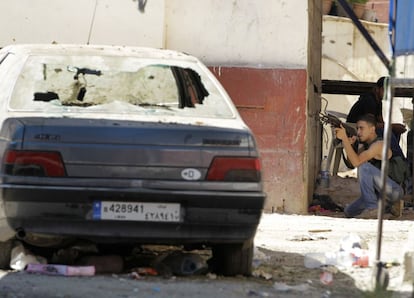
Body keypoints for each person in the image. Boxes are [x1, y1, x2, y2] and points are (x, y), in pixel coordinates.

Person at [335, 114, 404, 219]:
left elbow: (357, 163)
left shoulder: (379, 144)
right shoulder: (365, 145)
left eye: (361, 128)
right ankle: (389, 207)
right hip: (379, 193)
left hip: (393, 190)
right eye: (357, 129)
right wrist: (351, 145)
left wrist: (344, 138)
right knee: (349, 211)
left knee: (364, 167)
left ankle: (373, 208)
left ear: (372, 129)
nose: (358, 132)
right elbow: (351, 163)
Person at [347, 76, 406, 157]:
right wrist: (393, 126)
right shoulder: (369, 100)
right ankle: (398, 159)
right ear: (377, 89)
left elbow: (381, 122)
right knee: (387, 132)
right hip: (354, 129)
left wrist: (394, 127)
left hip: (366, 128)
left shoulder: (378, 101)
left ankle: (392, 160)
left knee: (394, 131)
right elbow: (370, 124)